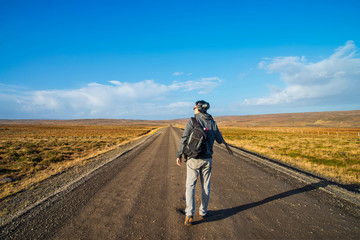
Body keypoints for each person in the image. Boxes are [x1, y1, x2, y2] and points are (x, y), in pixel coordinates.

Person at [176, 100, 224, 226]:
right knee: (205, 186)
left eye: (195, 107)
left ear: (199, 109)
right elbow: (219, 140)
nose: (194, 109)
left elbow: (184, 138)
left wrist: (179, 154)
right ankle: (203, 212)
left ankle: (189, 214)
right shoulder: (212, 122)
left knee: (190, 186)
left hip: (193, 159)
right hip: (207, 159)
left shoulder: (192, 121)